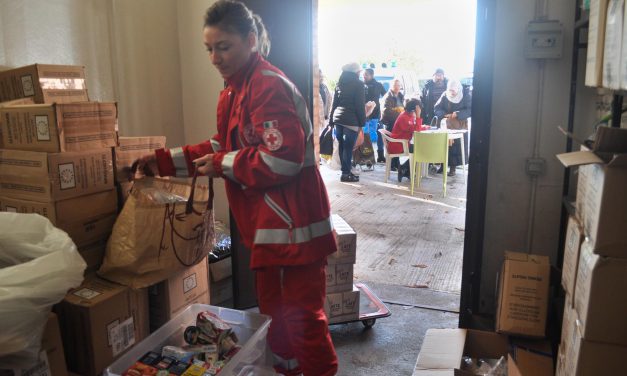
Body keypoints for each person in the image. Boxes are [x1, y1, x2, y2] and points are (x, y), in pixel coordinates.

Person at [135, 2, 338, 375]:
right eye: (209, 48)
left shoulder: (268, 86)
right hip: (270, 234)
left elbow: (283, 160)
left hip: (294, 233)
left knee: (304, 322)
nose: (215, 57)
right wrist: (163, 162)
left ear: (250, 41)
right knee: (277, 321)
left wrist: (222, 164)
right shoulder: (233, 91)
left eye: (223, 46)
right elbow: (221, 146)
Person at [329, 62, 366, 182]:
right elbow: (359, 106)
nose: (360, 73)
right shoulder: (359, 84)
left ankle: (345, 171)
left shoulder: (340, 83)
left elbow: (334, 104)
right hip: (351, 121)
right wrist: (362, 123)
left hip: (338, 120)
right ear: (356, 72)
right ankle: (345, 174)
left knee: (342, 147)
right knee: (348, 148)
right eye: (359, 71)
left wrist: (331, 120)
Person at [434, 79, 472, 177]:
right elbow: (437, 108)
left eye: (453, 91)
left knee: (455, 146)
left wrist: (458, 114)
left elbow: (470, 110)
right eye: (450, 91)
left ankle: (453, 167)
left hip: (459, 125)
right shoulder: (445, 95)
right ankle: (443, 165)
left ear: (458, 89)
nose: (451, 93)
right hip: (445, 125)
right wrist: (444, 114)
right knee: (443, 145)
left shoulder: (466, 95)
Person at [388, 98, 428, 182]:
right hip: (398, 145)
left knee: (419, 148)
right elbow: (416, 130)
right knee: (419, 149)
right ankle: (404, 169)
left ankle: (407, 171)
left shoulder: (407, 115)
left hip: (402, 143)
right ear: (414, 109)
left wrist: (425, 127)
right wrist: (418, 116)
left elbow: (414, 128)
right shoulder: (404, 118)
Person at [363, 68, 387, 162]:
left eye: (366, 75)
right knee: (365, 136)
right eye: (364, 74)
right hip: (364, 115)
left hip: (376, 115)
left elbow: (385, 96)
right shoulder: (361, 85)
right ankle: (367, 156)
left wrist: (383, 109)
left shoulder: (378, 85)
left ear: (372, 75)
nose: (364, 76)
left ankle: (380, 156)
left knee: (379, 134)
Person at [380, 79, 405, 170]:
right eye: (395, 85)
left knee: (397, 144)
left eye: (398, 85)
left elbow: (403, 108)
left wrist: (402, 112)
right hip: (391, 124)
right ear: (391, 86)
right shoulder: (388, 97)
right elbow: (387, 111)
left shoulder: (401, 95)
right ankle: (391, 165)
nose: (397, 87)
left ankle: (396, 163)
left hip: (399, 124)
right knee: (391, 144)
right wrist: (400, 113)